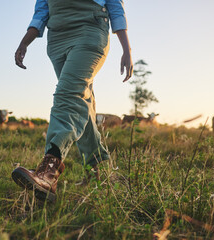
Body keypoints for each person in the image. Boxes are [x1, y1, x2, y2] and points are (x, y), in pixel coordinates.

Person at [12, 0, 133, 202]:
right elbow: (42, 12)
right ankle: (96, 171)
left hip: (90, 29)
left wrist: (127, 49)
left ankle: (48, 172)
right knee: (81, 101)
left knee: (68, 95)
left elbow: (115, 6)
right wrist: (24, 42)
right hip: (57, 37)